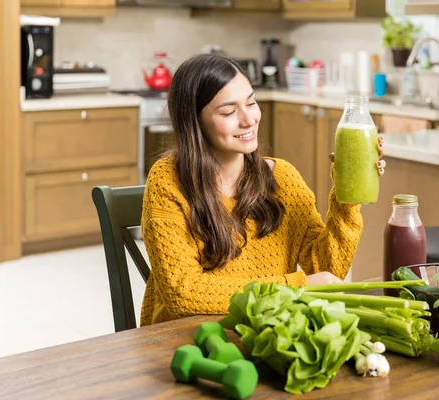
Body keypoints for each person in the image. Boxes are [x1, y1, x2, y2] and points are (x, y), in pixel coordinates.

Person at [140, 53, 386, 326]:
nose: (249, 119)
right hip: (185, 341)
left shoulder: (283, 178)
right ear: (194, 122)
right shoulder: (167, 180)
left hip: (264, 331)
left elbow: (326, 270)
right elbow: (182, 292)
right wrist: (295, 287)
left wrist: (347, 191)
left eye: (251, 102)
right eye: (229, 112)